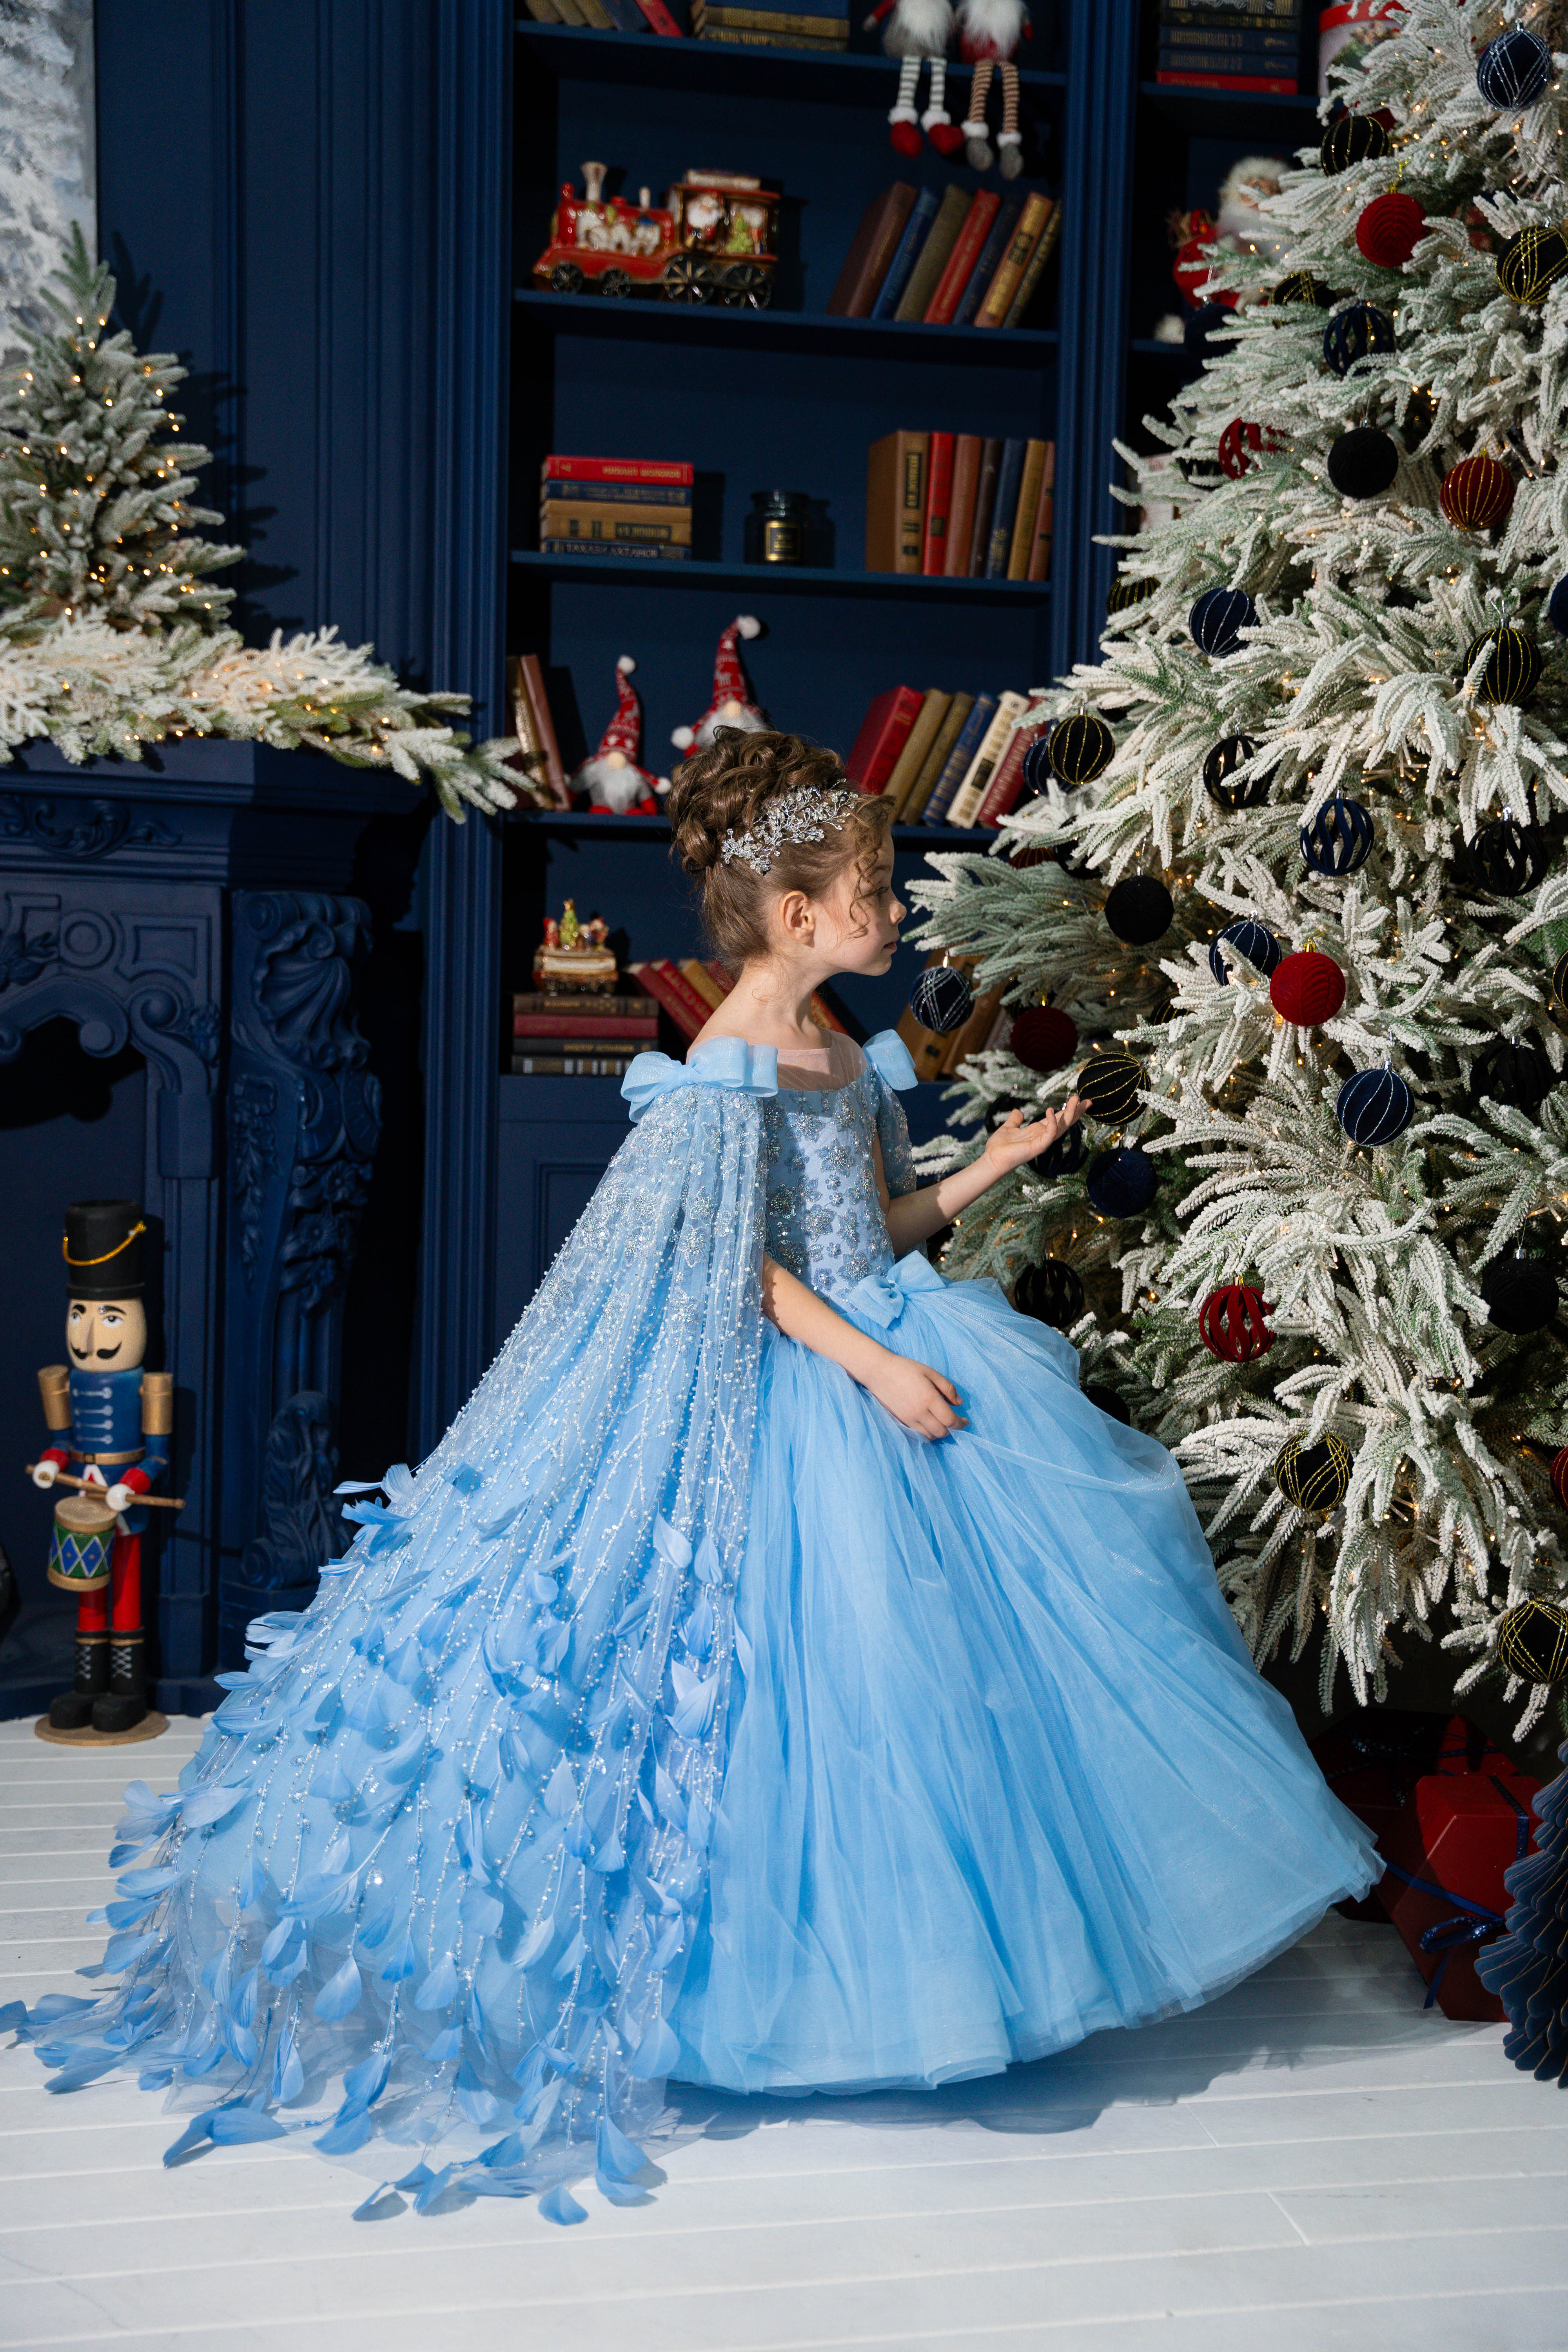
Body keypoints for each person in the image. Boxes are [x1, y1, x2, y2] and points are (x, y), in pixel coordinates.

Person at [13, 730, 1377, 2225]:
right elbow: (743, 1273)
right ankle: (784, 1986)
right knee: (807, 1681)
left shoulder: (843, 1048)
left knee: (941, 1684)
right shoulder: (723, 1064)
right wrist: (874, 1369)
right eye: (869, 892)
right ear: (797, 916)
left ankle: (945, 1961)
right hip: (819, 1385)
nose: (893, 911)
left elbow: (879, 1229)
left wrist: (996, 1167)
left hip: (904, 1343)